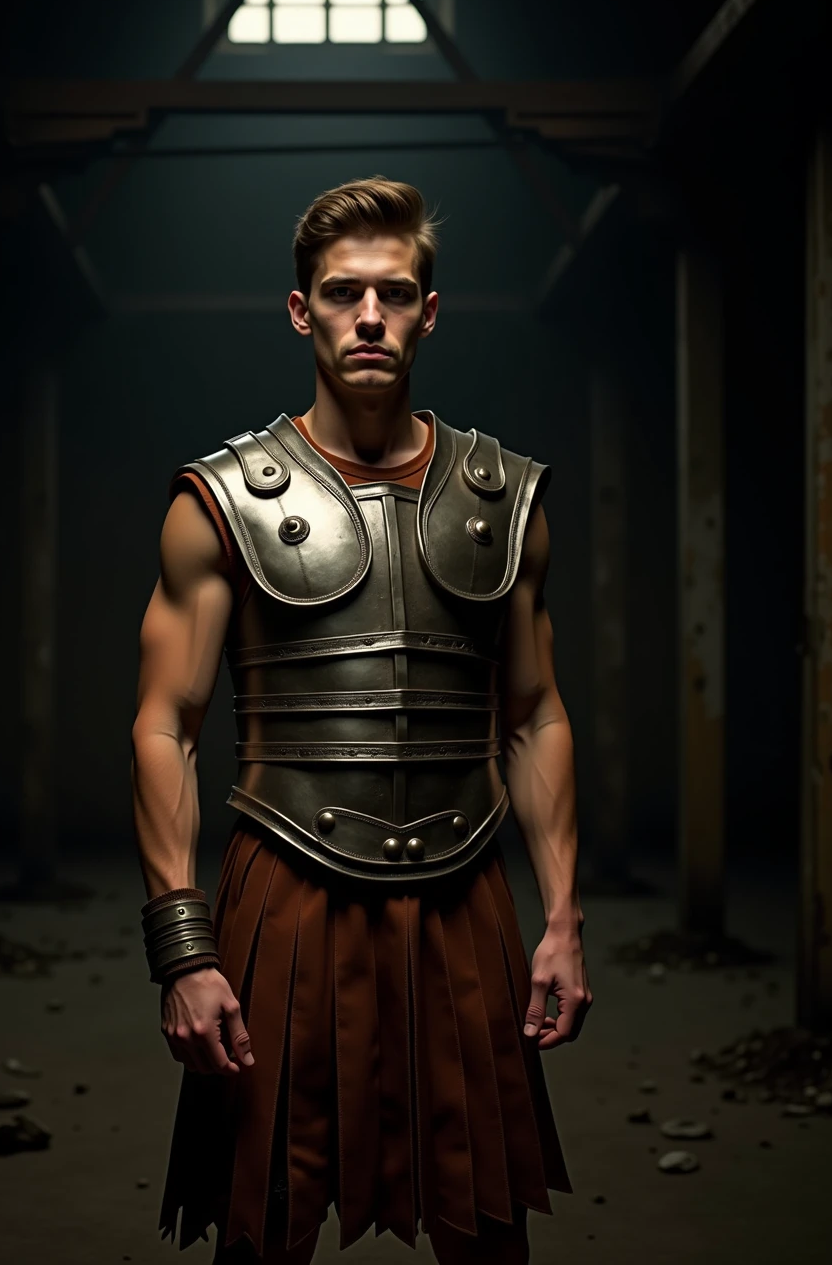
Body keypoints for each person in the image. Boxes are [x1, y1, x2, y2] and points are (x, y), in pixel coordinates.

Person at [131, 176, 592, 1264]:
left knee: (487, 1221)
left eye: (394, 293)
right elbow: (164, 723)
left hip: (462, 894)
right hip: (283, 893)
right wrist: (181, 953)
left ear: (430, 310)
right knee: (263, 1219)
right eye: (343, 294)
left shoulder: (505, 496)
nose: (369, 316)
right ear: (303, 311)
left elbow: (533, 714)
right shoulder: (222, 501)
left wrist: (564, 920)